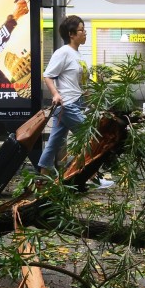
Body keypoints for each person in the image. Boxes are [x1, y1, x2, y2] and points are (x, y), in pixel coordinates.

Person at [37, 15, 114, 189]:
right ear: (71, 34)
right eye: (81, 30)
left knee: (54, 141)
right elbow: (47, 75)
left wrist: (92, 102)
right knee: (92, 138)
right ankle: (93, 178)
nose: (85, 33)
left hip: (74, 103)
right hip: (67, 105)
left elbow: (81, 84)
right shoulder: (63, 52)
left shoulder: (77, 54)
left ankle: (40, 180)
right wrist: (55, 94)